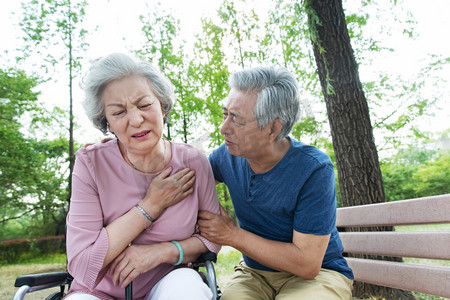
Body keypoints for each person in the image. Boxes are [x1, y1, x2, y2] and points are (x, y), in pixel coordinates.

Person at [65, 52, 220, 300]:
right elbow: (82, 266)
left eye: (144, 105)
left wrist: (162, 252)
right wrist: (150, 206)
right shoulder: (91, 163)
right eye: (118, 112)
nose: (136, 120)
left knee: (187, 287)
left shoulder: (193, 162)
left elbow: (213, 240)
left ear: (162, 104)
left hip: (169, 282)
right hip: (99, 293)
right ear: (106, 122)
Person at [198, 66, 354, 299]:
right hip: (255, 273)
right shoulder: (225, 156)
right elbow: (187, 183)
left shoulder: (313, 168)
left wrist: (232, 235)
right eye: (225, 114)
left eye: (236, 120)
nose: (223, 129)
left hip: (319, 275)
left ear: (273, 128)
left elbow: (307, 264)